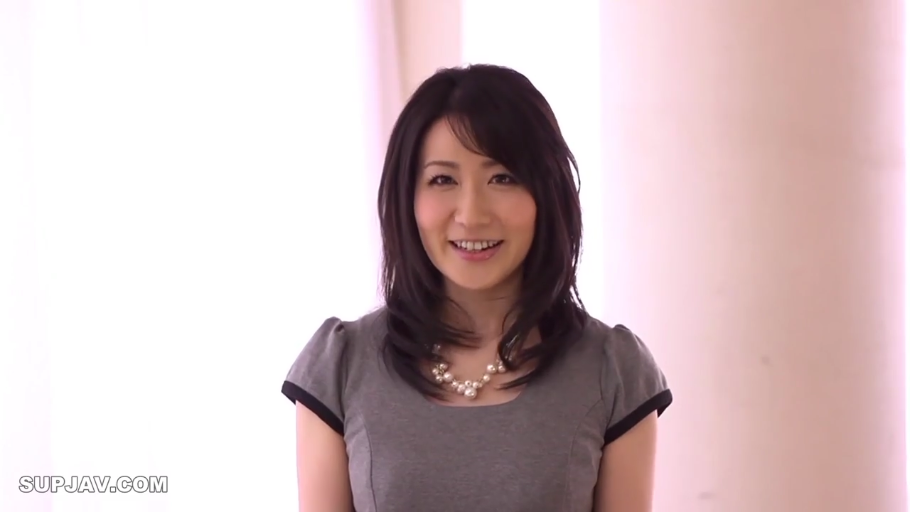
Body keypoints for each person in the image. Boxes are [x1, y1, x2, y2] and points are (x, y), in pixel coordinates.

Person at [280, 64, 673, 512]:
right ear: (407, 199)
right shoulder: (339, 367)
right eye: (443, 180)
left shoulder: (613, 370)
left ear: (547, 194)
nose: (471, 215)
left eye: (503, 178)